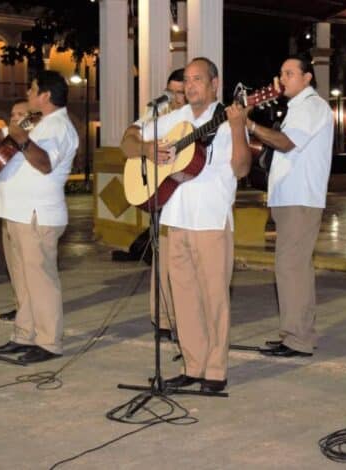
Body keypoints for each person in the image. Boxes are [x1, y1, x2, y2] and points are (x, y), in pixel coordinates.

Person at [121, 57, 251, 393]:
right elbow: (128, 139)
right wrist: (147, 149)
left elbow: (241, 169)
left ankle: (215, 371)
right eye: (187, 80)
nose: (191, 86)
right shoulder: (174, 119)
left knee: (214, 299)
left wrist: (238, 127)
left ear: (214, 84)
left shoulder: (227, 120)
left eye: (198, 79)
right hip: (174, 219)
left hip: (211, 220)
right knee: (183, 299)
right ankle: (193, 366)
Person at [0, 71, 79, 364]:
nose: (28, 94)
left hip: (36, 215)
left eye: (32, 89)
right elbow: (12, 150)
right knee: (22, 281)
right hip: (15, 212)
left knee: (40, 281)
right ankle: (24, 334)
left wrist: (22, 139)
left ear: (45, 95)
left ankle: (49, 341)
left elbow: (44, 163)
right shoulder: (37, 122)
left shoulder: (59, 126)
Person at [249, 54, 334, 358]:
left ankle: (297, 339)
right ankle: (296, 332)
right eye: (281, 73)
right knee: (293, 268)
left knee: (291, 268)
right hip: (290, 198)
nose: (282, 79)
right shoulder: (297, 108)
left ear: (307, 78)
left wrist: (250, 125)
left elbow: (286, 143)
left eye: (289, 73)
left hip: (301, 198)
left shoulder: (312, 106)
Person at [119, 68, 185, 339]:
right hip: (162, 192)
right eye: (171, 92)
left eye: (181, 92)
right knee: (163, 261)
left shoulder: (198, 116)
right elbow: (127, 140)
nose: (175, 98)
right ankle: (163, 319)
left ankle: (186, 320)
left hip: (190, 199)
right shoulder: (158, 112)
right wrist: (146, 148)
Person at [0, 99, 30, 322]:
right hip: (6, 208)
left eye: (20, 114)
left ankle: (30, 311)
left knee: (27, 266)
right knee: (14, 265)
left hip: (25, 210)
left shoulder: (33, 138)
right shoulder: (8, 140)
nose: (15, 117)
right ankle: (20, 305)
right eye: (12, 114)